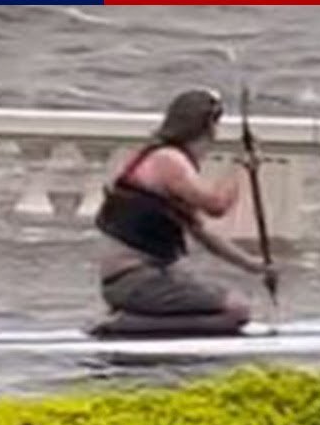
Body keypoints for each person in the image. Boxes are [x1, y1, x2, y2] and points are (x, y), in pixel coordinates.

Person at [90, 87, 274, 337]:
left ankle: (136, 320)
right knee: (236, 311)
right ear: (207, 126)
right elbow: (216, 206)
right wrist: (241, 165)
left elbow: (202, 232)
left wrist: (253, 265)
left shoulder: (160, 157)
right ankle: (127, 324)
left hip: (137, 279)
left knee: (228, 304)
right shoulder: (168, 161)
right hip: (135, 280)